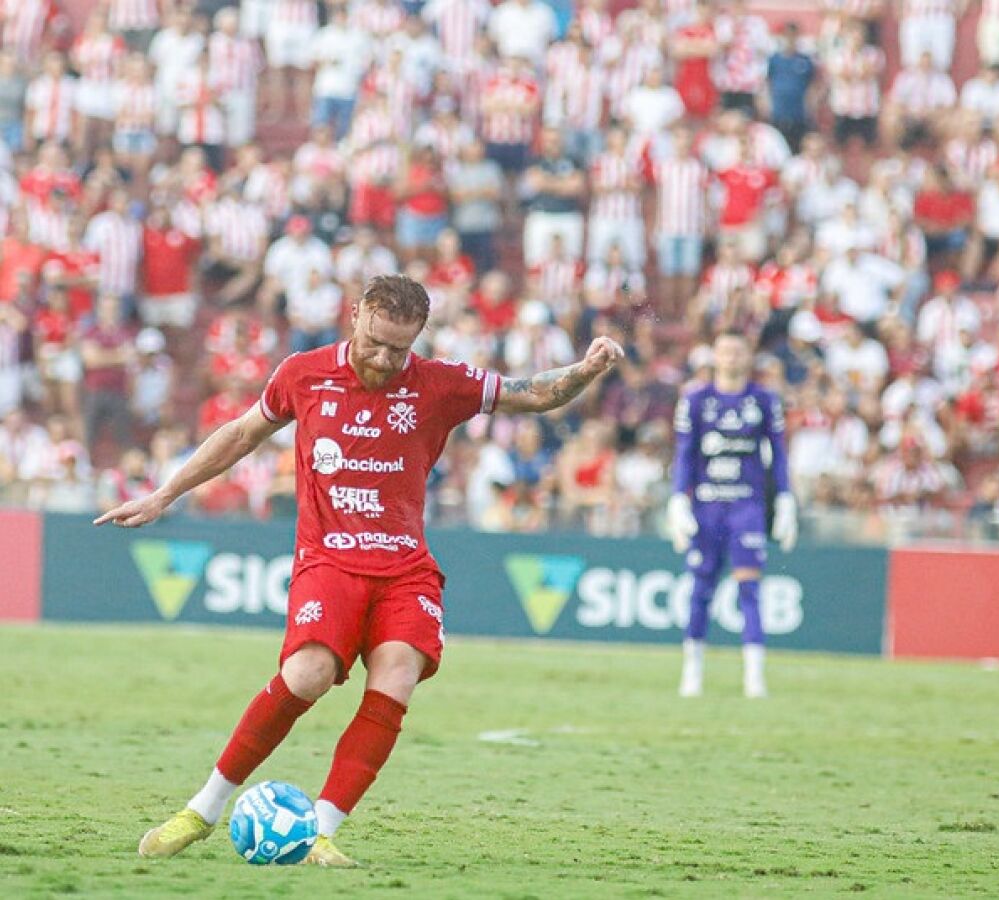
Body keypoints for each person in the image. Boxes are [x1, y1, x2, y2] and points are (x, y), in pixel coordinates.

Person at [96, 274, 623, 867]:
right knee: (309, 674)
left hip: (405, 567)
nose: (384, 358)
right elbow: (243, 434)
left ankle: (320, 832)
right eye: (376, 341)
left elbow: (534, 393)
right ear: (355, 316)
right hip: (329, 558)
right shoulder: (303, 373)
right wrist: (165, 494)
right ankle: (202, 809)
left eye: (400, 348)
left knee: (398, 672)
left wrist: (584, 371)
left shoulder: (441, 384)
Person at [665, 330, 798, 700]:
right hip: (707, 505)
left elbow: (778, 455)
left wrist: (785, 498)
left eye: (738, 351)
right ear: (715, 356)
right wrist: (677, 499)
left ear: (748, 355)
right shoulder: (695, 400)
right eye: (724, 351)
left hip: (746, 506)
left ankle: (754, 676)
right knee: (700, 587)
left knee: (749, 588)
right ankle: (692, 671)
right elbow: (685, 455)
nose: (731, 358)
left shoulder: (764, 401)